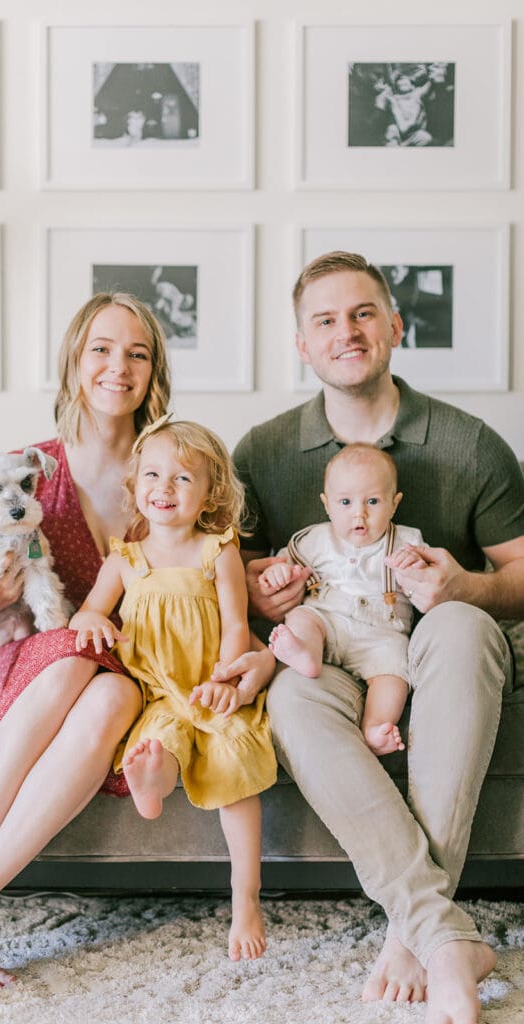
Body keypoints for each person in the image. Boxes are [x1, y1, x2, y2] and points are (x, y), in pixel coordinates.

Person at [0, 294, 277, 1023]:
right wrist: (0, 592)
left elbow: (218, 576)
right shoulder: (28, 469)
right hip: (39, 659)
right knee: (73, 659)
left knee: (111, 694)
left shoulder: (172, 468)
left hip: (134, 671)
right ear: (75, 359)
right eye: (101, 348)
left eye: (136, 353)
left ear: (153, 370)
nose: (117, 366)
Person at [233, 251, 524, 1024]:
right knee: (292, 693)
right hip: (328, 649)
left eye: (362, 313)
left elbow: (521, 575)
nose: (346, 332)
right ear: (301, 344)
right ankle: (438, 933)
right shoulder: (260, 452)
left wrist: (463, 586)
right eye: (324, 320)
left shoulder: (467, 443)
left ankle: (413, 934)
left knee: (460, 625)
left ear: (394, 326)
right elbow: (225, 570)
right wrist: (265, 584)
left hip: (434, 650)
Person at [70, 418, 277, 962]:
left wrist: (227, 676)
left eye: (184, 479)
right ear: (136, 484)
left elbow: (237, 623)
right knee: (159, 740)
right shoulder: (126, 558)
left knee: (234, 760)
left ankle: (246, 897)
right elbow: (90, 609)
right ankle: (152, 779)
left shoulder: (218, 550)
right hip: (158, 690)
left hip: (212, 686)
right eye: (154, 475)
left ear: (210, 495)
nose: (165, 487)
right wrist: (93, 622)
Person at [262, 443, 425, 756]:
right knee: (301, 618)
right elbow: (285, 566)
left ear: (394, 504)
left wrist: (417, 570)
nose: (359, 513)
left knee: (394, 673)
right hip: (328, 622)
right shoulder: (315, 539)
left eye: (373, 502)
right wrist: (278, 575)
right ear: (327, 504)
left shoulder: (406, 542)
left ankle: (375, 728)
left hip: (381, 635)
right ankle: (305, 654)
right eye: (346, 502)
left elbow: (427, 584)